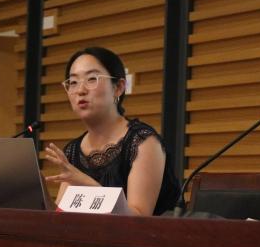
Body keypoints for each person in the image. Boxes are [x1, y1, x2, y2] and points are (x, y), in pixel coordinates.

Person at [44, 47, 179, 216]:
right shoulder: (73, 150)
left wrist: (86, 183)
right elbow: (60, 216)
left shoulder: (142, 142)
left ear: (118, 88)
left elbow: (139, 221)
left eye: (92, 79)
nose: (80, 90)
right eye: (73, 82)